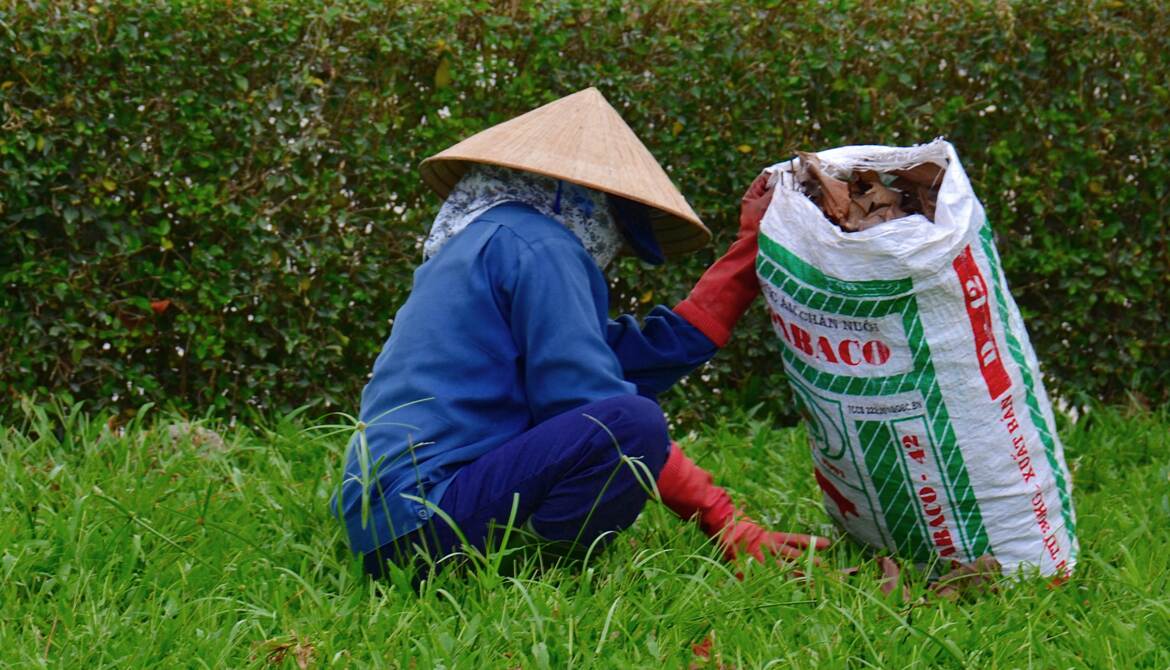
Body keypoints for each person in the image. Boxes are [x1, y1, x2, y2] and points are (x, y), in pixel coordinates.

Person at [335, 88, 826, 579]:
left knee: (622, 413)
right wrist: (725, 519)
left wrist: (749, 249)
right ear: (581, 199)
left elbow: (648, 352)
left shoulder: (492, 243)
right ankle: (529, 572)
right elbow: (593, 402)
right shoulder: (538, 245)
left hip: (387, 529)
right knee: (632, 424)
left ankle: (507, 559)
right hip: (427, 518)